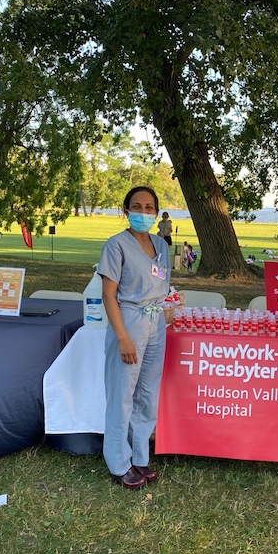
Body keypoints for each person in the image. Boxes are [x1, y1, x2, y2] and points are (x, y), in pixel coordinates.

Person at [98, 186, 172, 489]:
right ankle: (119, 462)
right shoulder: (116, 245)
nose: (144, 212)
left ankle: (139, 456)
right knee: (122, 394)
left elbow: (162, 283)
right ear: (126, 210)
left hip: (156, 322)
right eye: (137, 207)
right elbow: (108, 294)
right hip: (128, 320)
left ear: (156, 212)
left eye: (149, 207)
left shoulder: (161, 245)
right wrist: (122, 338)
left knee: (147, 393)